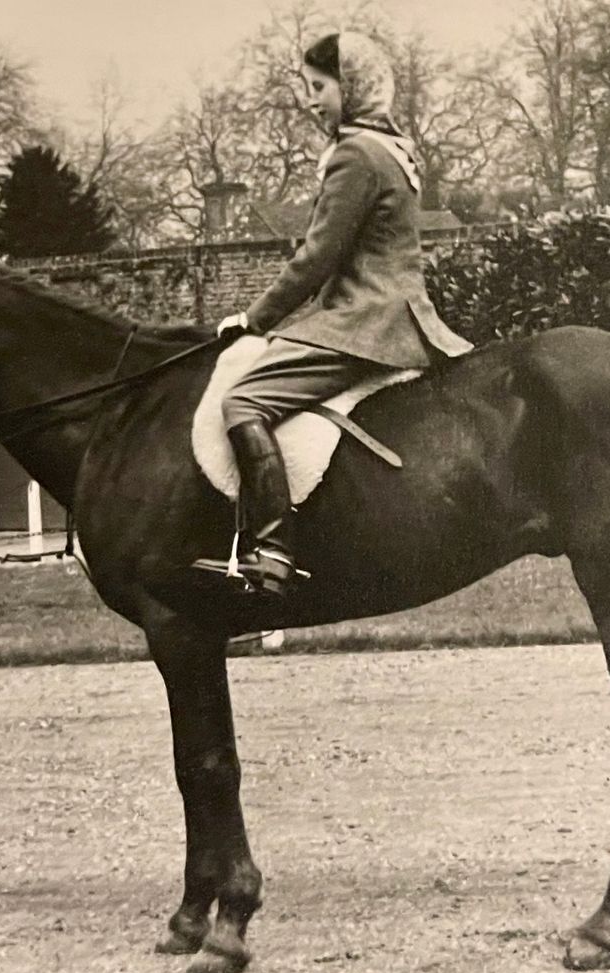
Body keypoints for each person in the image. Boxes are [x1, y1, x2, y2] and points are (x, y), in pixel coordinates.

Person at [200, 30, 473, 599]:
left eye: (318, 87)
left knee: (242, 401)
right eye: (307, 86)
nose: (309, 98)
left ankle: (271, 550)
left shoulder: (356, 154)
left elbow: (318, 256)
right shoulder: (395, 148)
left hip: (363, 322)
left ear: (350, 87)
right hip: (392, 313)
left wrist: (254, 319)